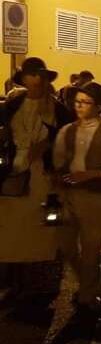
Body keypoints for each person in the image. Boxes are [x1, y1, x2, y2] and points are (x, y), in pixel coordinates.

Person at [53, 82, 101, 328]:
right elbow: (58, 161)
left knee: (91, 250)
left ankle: (87, 297)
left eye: (85, 102)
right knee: (65, 246)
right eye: (77, 102)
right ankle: (86, 285)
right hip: (68, 195)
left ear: (98, 106)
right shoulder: (67, 131)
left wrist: (92, 174)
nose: (79, 107)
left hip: (94, 197)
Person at [0, 58, 72, 298]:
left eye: (41, 75)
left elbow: (68, 141)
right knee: (12, 233)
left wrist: (49, 148)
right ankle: (14, 284)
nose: (37, 80)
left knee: (41, 234)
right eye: (32, 75)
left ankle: (39, 288)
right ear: (24, 79)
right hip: (14, 178)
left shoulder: (58, 110)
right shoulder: (13, 105)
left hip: (44, 176)